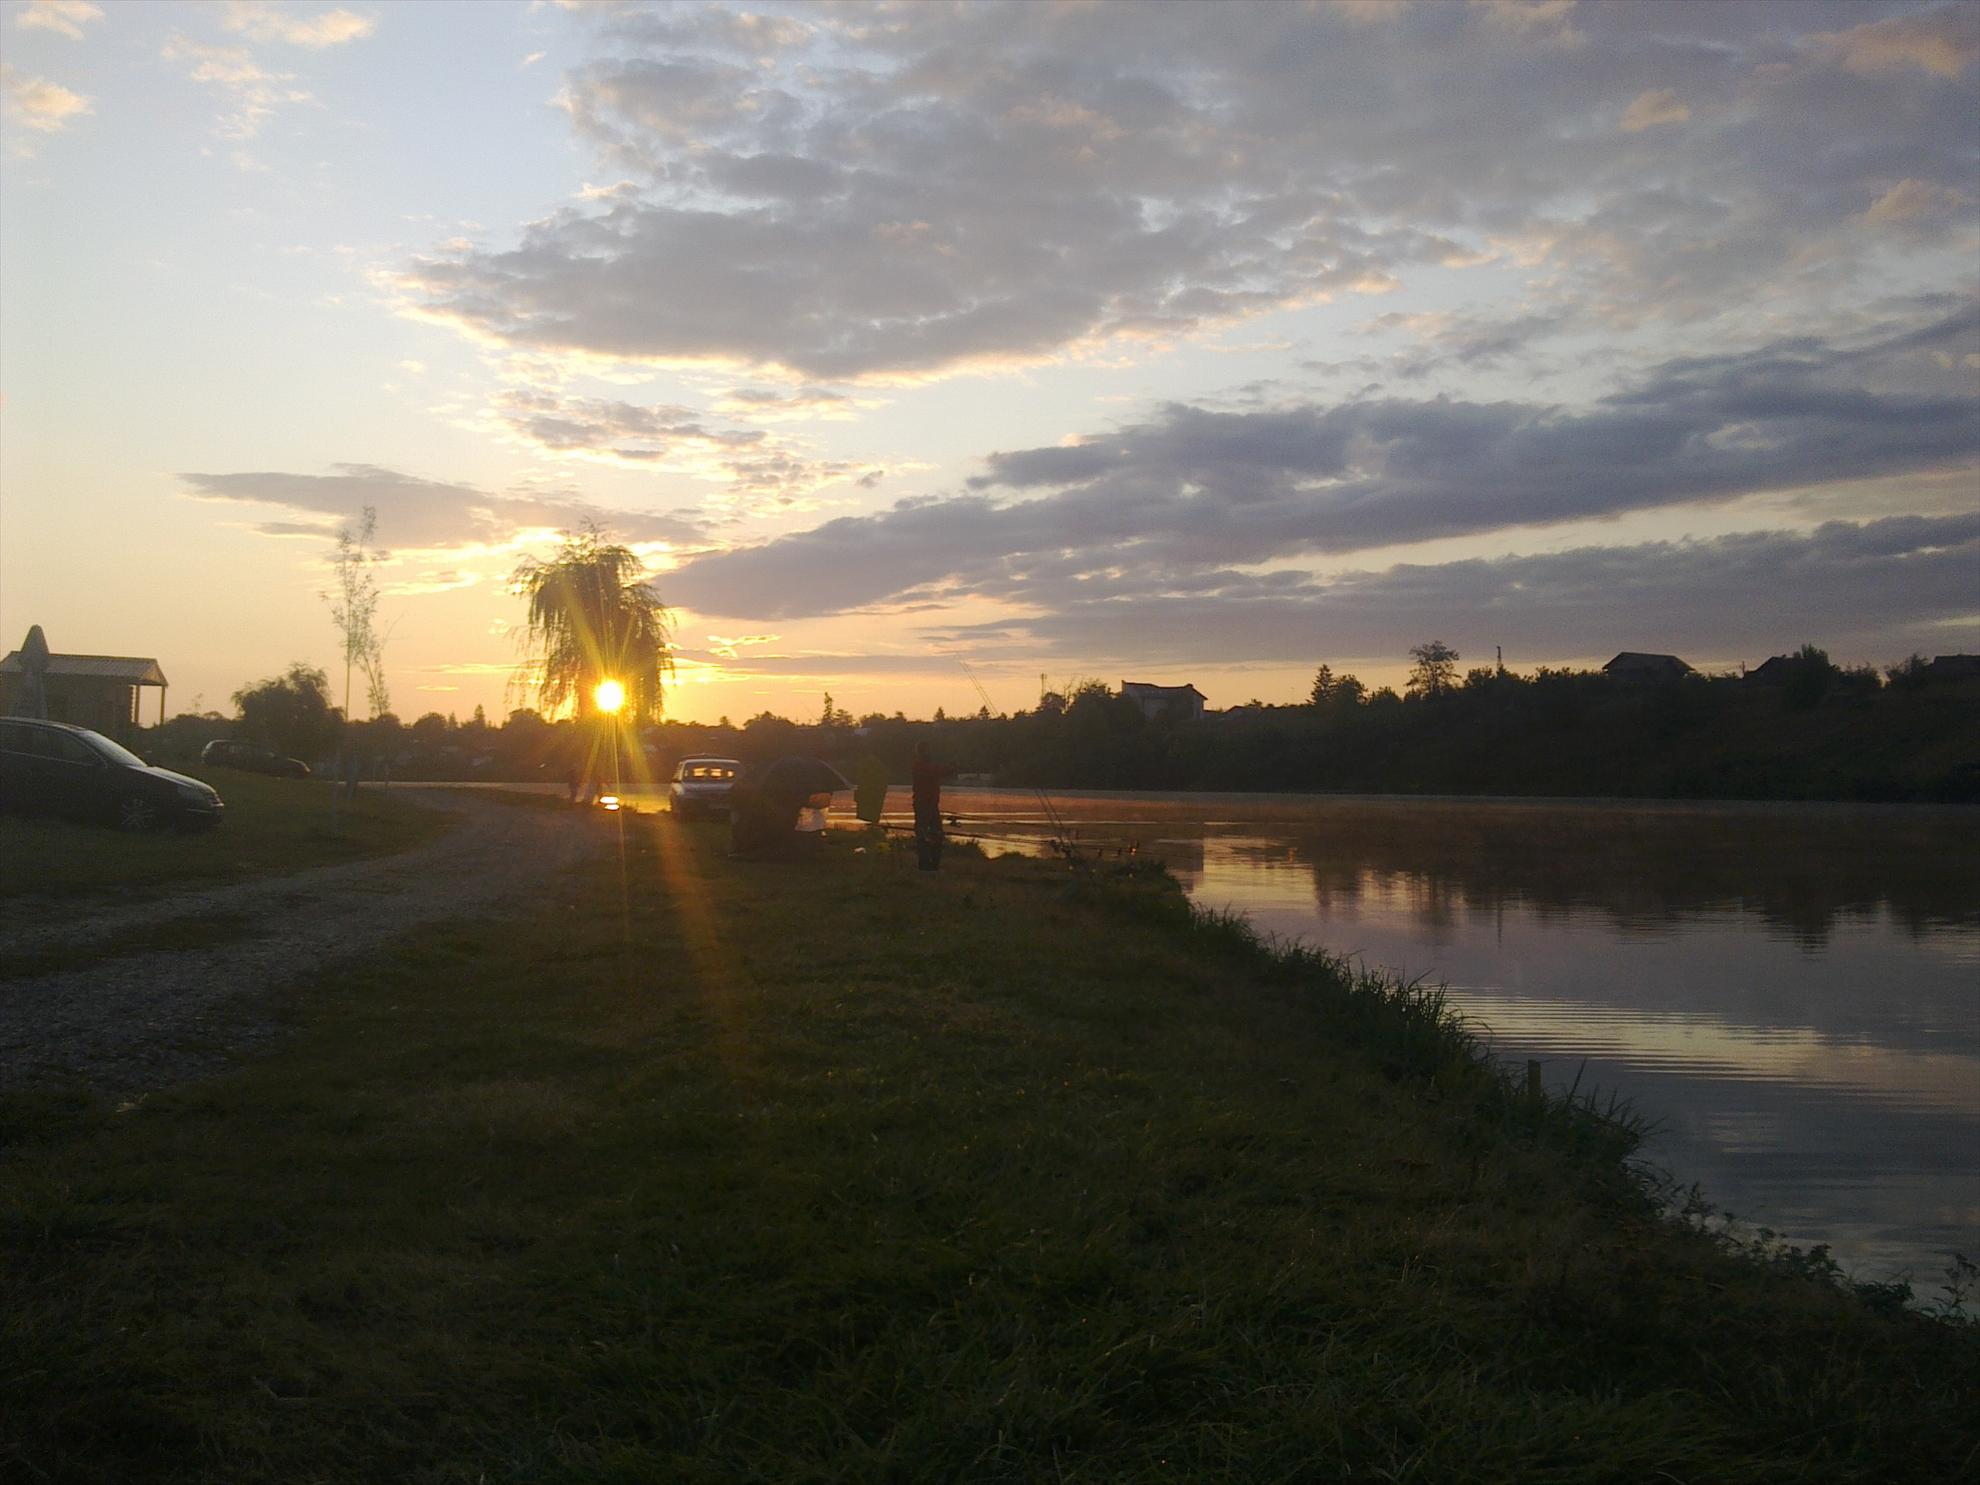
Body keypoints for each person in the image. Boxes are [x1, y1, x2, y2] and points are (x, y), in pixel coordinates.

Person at [911, 741, 948, 871]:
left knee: (936, 834)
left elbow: (940, 771)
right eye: (926, 750)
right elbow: (937, 771)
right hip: (922, 804)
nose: (928, 753)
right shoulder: (918, 765)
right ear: (920, 752)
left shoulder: (927, 765)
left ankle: (933, 866)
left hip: (932, 804)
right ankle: (924, 865)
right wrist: (949, 768)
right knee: (924, 834)